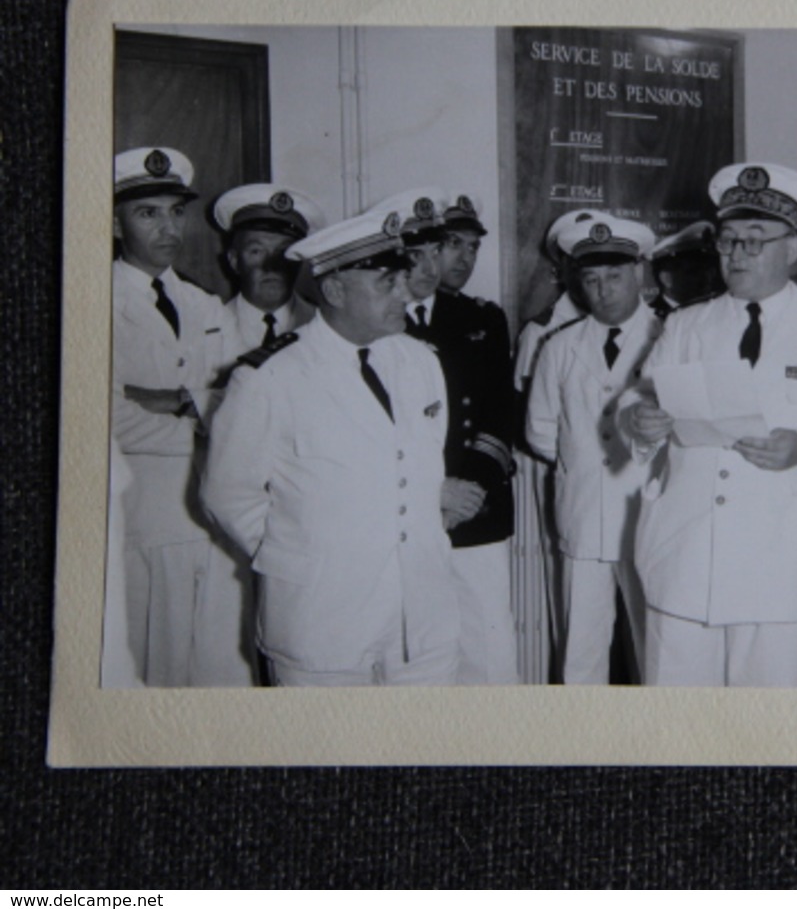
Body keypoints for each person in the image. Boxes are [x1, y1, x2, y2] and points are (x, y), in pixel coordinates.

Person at [621, 162, 797, 687]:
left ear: (795, 249)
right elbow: (638, 399)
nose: (737, 254)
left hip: (781, 554)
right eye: (728, 241)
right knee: (676, 720)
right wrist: (639, 420)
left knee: (768, 723)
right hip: (687, 550)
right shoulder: (685, 325)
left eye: (755, 240)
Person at [202, 207, 460, 686]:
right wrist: (302, 552)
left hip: (421, 618)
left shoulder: (420, 362)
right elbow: (228, 495)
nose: (406, 292)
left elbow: (420, 471)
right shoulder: (270, 377)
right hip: (321, 618)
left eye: (403, 279)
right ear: (336, 290)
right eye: (387, 283)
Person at [109, 146, 251, 687]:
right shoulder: (93, 302)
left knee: (222, 675)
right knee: (155, 675)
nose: (168, 227)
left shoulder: (204, 305)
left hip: (215, 520)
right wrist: (200, 411)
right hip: (146, 521)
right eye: (148, 214)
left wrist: (177, 397)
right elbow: (102, 419)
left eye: (175, 211)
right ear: (118, 225)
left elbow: (241, 402)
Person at [378, 188, 520, 686]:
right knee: (413, 650)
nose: (427, 266)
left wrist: (470, 487)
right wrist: (429, 494)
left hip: (475, 504)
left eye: (435, 251)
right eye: (412, 255)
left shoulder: (480, 318)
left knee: (488, 646)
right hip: (404, 510)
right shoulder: (374, 327)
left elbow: (501, 413)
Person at [525, 211, 661, 683]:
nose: (603, 290)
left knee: (657, 643)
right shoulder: (558, 346)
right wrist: (584, 467)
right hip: (583, 512)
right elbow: (541, 429)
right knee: (581, 644)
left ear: (639, 273)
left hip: (651, 513)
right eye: (591, 278)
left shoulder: (673, 336)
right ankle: (584, 743)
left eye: (615, 276)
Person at [510, 212, 591, 681]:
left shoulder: (647, 327)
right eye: (576, 265)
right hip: (562, 480)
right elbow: (534, 424)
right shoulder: (541, 332)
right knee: (570, 607)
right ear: (561, 270)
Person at [211, 184, 323, 360]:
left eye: (283, 252)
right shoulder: (207, 327)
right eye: (257, 251)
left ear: (299, 260)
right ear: (234, 261)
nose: (272, 266)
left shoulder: (323, 325)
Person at [649, 220, 723, 317]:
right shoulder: (649, 320)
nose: (707, 279)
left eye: (709, 271)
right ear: (667, 279)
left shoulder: (716, 316)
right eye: (694, 272)